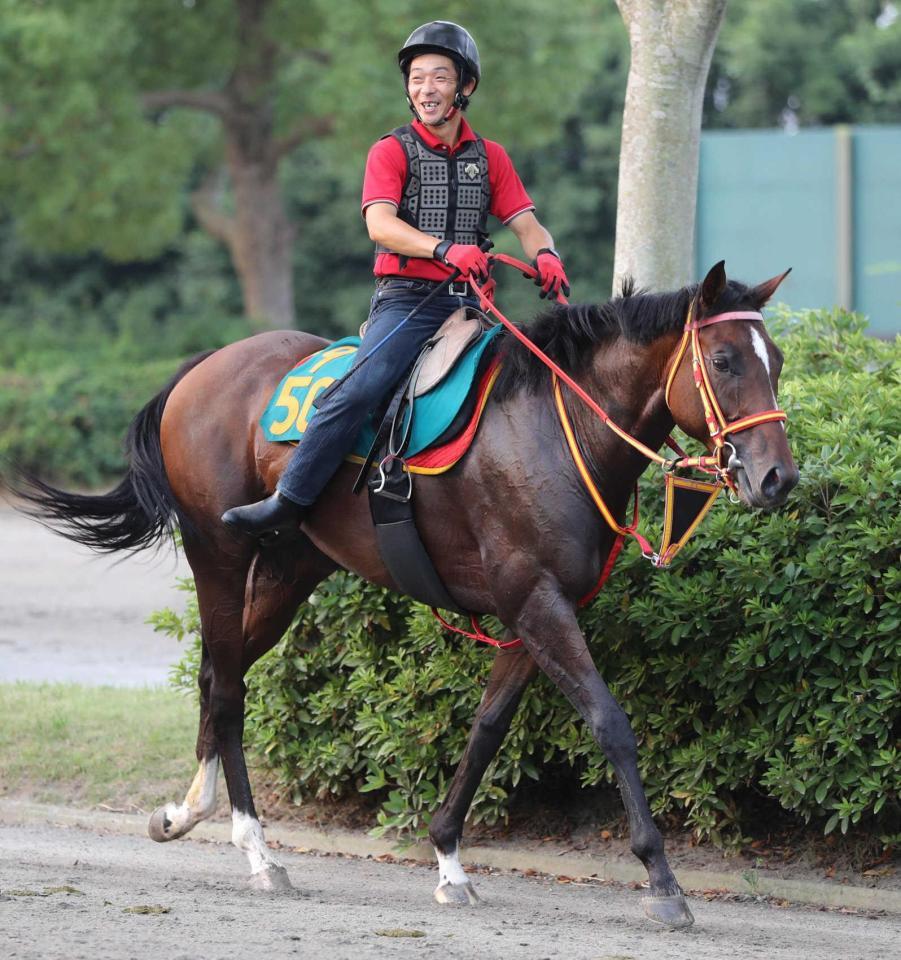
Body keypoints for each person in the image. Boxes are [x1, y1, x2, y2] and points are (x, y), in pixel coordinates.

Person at [222, 20, 570, 539]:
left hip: (473, 306)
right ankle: (290, 499)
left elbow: (524, 223)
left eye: (439, 78)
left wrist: (546, 254)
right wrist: (445, 248)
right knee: (357, 390)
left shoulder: (491, 157)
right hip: (409, 302)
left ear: (465, 86)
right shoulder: (391, 150)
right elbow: (379, 224)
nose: (426, 89)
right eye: (417, 78)